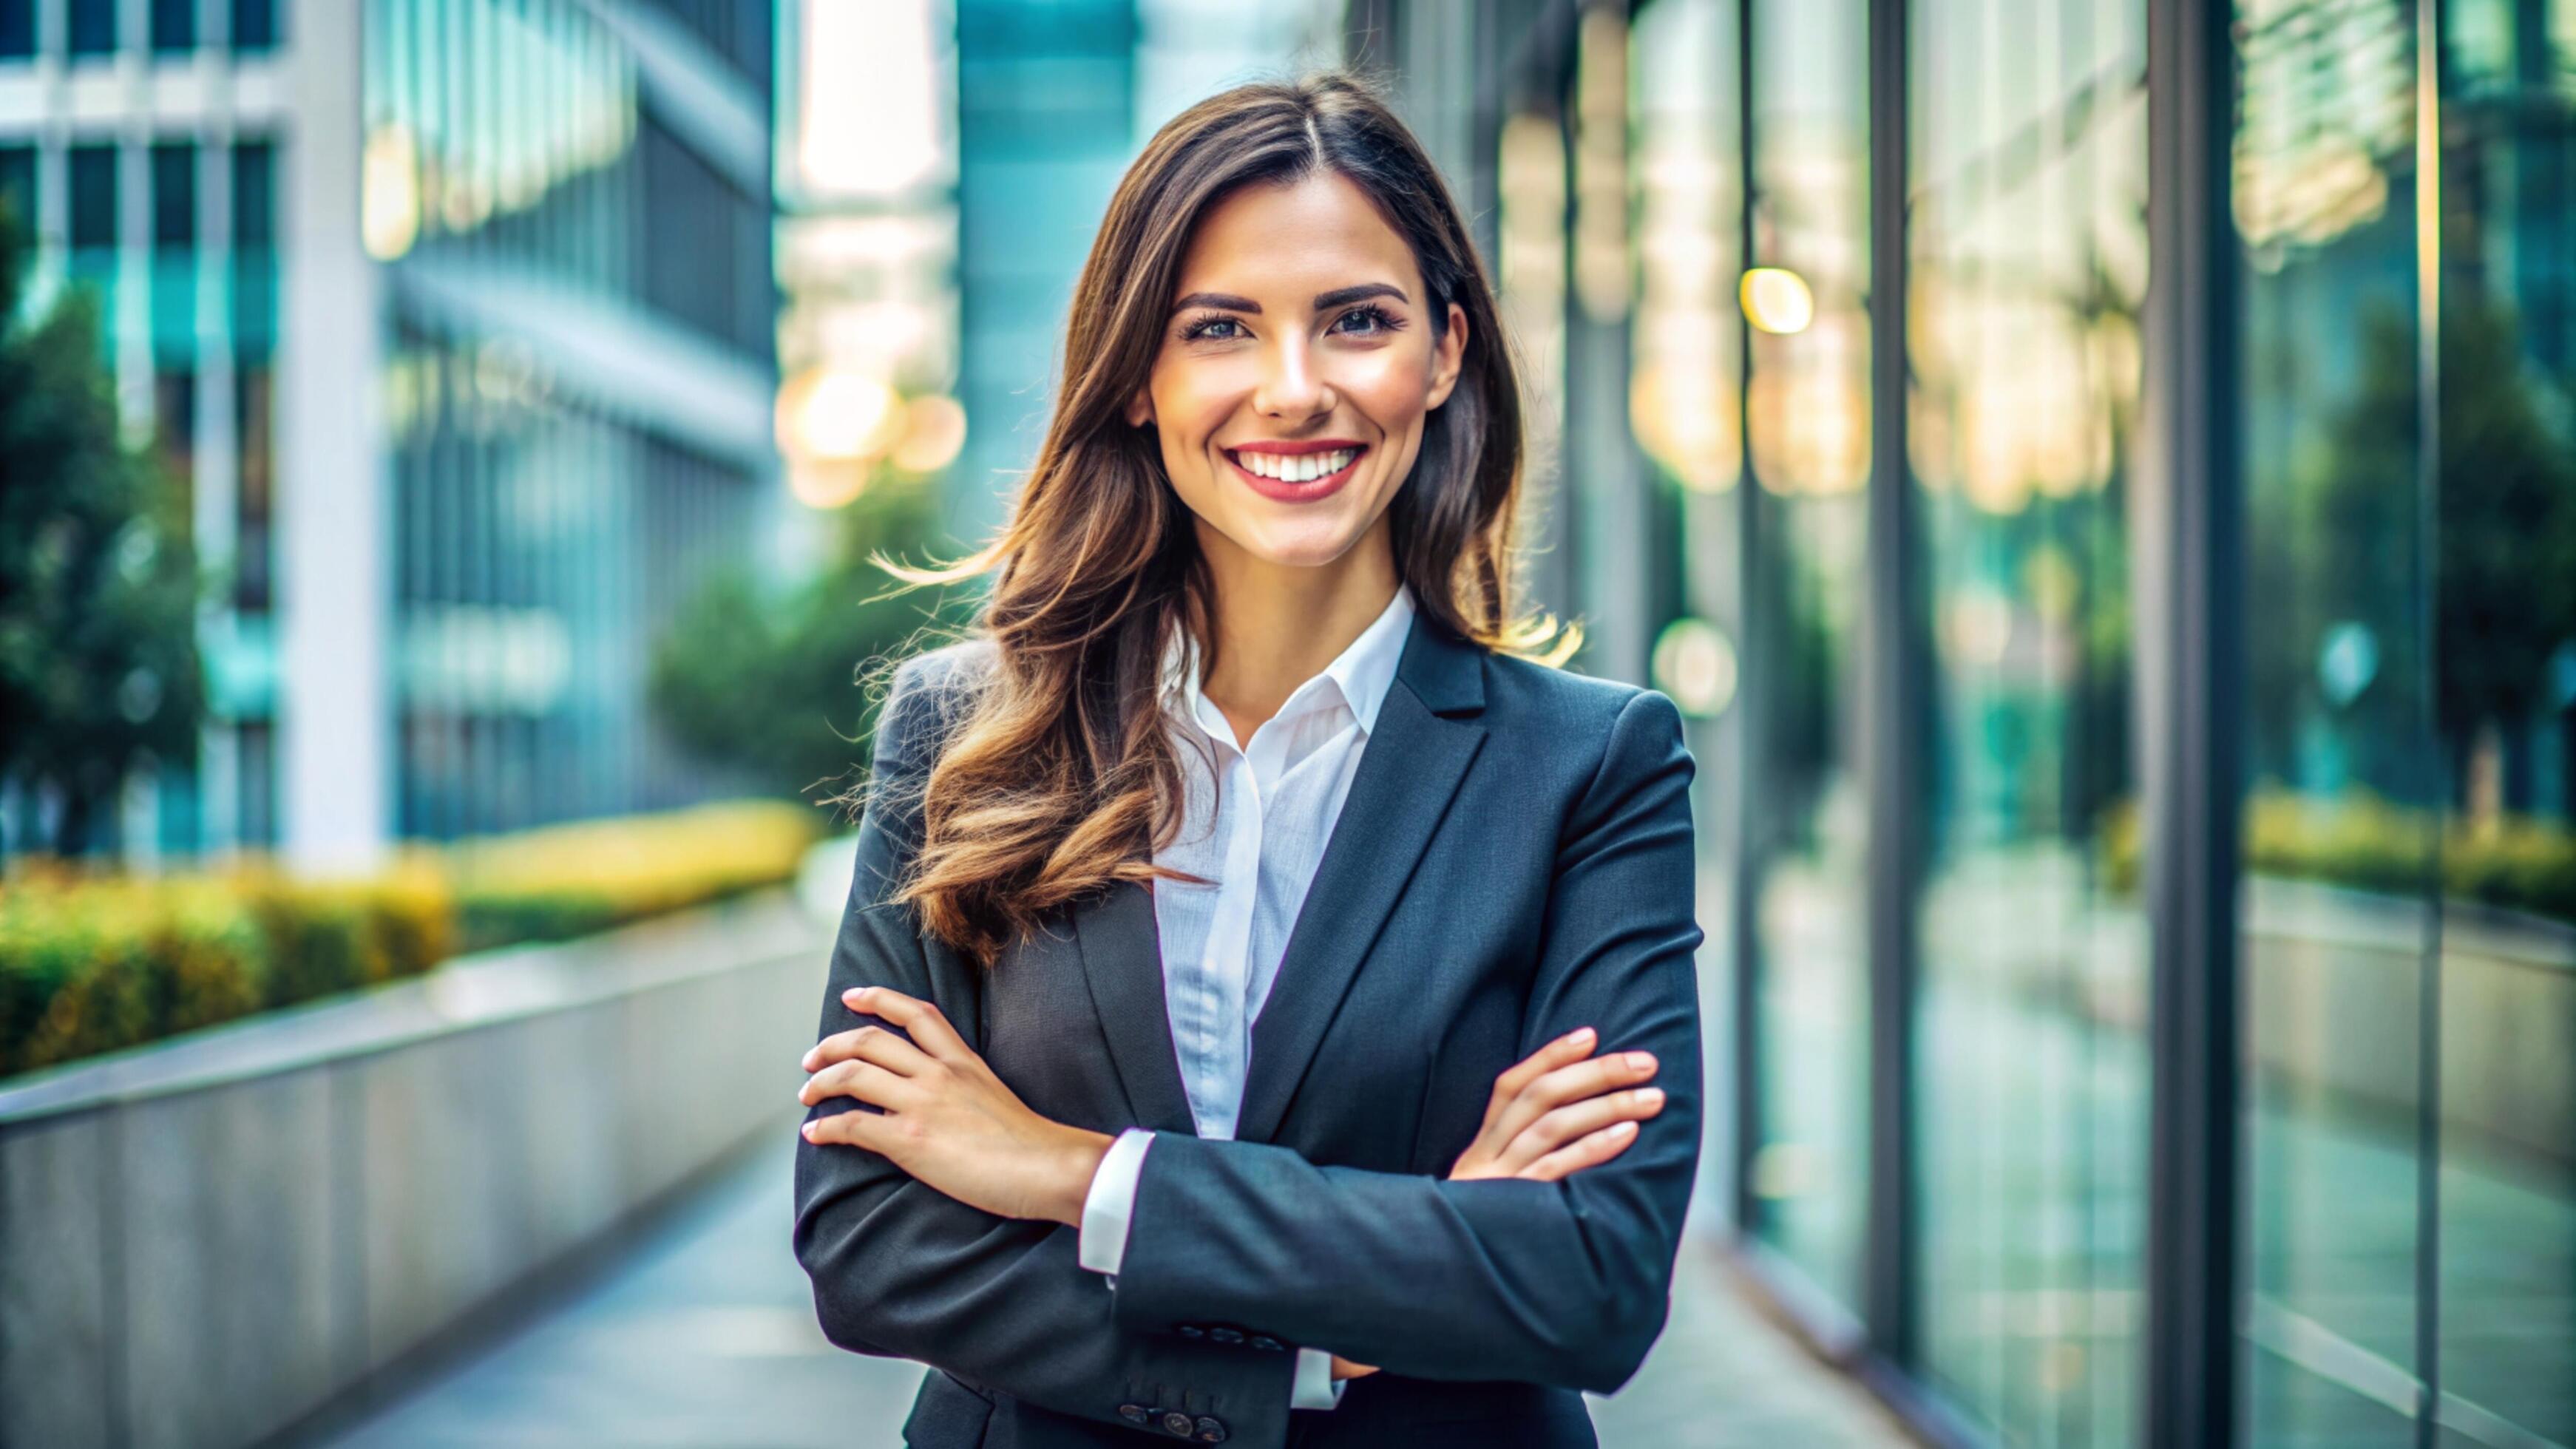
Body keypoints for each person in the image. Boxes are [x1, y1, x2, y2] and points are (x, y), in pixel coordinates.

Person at [790, 69, 1703, 1449]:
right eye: (1219, 328)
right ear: (1142, 380)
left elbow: (1590, 1280)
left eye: (1357, 321)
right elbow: (868, 1242)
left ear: (1445, 354)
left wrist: (1070, 1173)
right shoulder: (961, 732)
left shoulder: (1591, 769)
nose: (1294, 391)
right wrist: (1344, 1329)